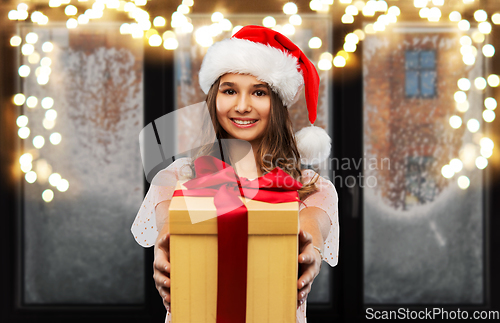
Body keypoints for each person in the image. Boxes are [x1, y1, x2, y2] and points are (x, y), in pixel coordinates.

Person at [131, 25, 339, 323]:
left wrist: (312, 250)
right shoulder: (178, 177)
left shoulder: (311, 188)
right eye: (230, 91)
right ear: (214, 99)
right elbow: (167, 219)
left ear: (277, 104)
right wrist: (167, 242)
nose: (242, 106)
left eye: (259, 92)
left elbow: (313, 225)